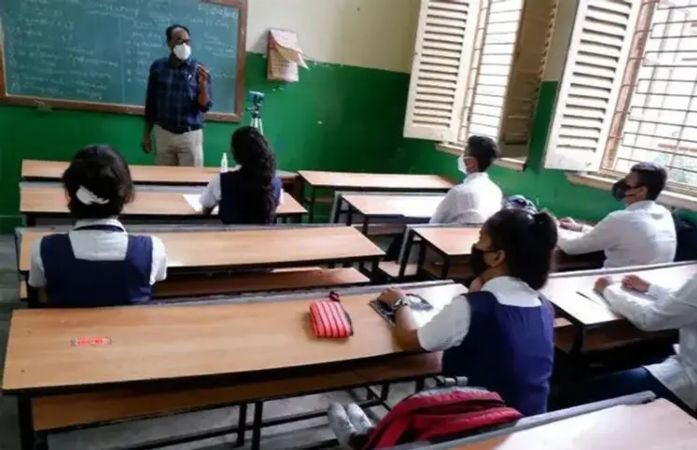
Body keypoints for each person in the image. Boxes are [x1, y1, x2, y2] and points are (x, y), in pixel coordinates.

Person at [378, 208, 557, 415]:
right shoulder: (544, 306)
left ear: (496, 257)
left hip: (482, 421)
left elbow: (409, 340)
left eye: (481, 239)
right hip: (531, 421)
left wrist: (400, 303)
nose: (476, 246)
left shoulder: (472, 308)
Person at [28, 145, 168, 306]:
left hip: (67, 322)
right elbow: (157, 278)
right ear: (126, 195)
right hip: (131, 323)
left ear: (70, 195)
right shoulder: (153, 249)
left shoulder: (42, 249)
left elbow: (38, 288)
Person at [582, 273, 697, 412]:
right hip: (687, 361)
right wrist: (650, 288)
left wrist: (609, 290)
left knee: (587, 390)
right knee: (632, 356)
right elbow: (685, 300)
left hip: (689, 378)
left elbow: (649, 319)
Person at [558, 162, 676, 268]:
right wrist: (580, 228)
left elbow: (571, 247)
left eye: (628, 180)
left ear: (641, 191)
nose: (621, 183)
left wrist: (553, 228)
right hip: (649, 283)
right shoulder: (665, 214)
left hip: (617, 282)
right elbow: (619, 235)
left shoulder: (622, 219)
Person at [142, 24, 212, 167]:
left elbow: (204, 106)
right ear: (169, 43)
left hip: (190, 135)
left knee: (191, 179)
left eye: (187, 41)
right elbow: (151, 103)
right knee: (164, 178)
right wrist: (146, 134)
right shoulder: (158, 67)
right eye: (180, 41)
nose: (184, 45)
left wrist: (203, 85)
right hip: (163, 134)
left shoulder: (199, 69)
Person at [199, 126, 283, 224]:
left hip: (230, 233)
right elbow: (276, 206)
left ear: (235, 153)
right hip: (264, 234)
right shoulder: (275, 181)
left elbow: (205, 211)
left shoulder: (221, 181)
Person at [430, 135, 503, 225]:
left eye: (464, 154)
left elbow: (434, 223)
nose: (461, 158)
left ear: (471, 163)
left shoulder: (458, 192)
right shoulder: (496, 191)